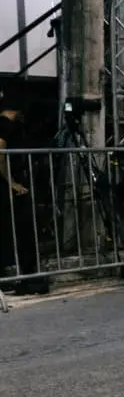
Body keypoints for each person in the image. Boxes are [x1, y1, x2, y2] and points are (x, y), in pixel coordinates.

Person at [0, 100, 47, 295]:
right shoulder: (5, 124)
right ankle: (26, 276)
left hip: (9, 186)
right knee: (22, 229)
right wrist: (12, 182)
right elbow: (0, 150)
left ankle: (16, 277)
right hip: (8, 187)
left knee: (12, 231)